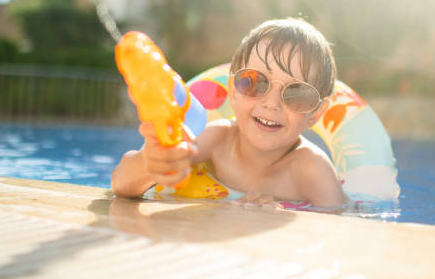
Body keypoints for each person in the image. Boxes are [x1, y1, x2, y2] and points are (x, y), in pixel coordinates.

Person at [111, 18, 347, 208]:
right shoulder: (218, 140)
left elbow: (342, 231)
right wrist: (150, 162)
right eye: (254, 82)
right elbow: (120, 185)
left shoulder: (312, 170)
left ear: (315, 113)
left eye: (297, 94)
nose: (271, 104)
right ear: (234, 93)